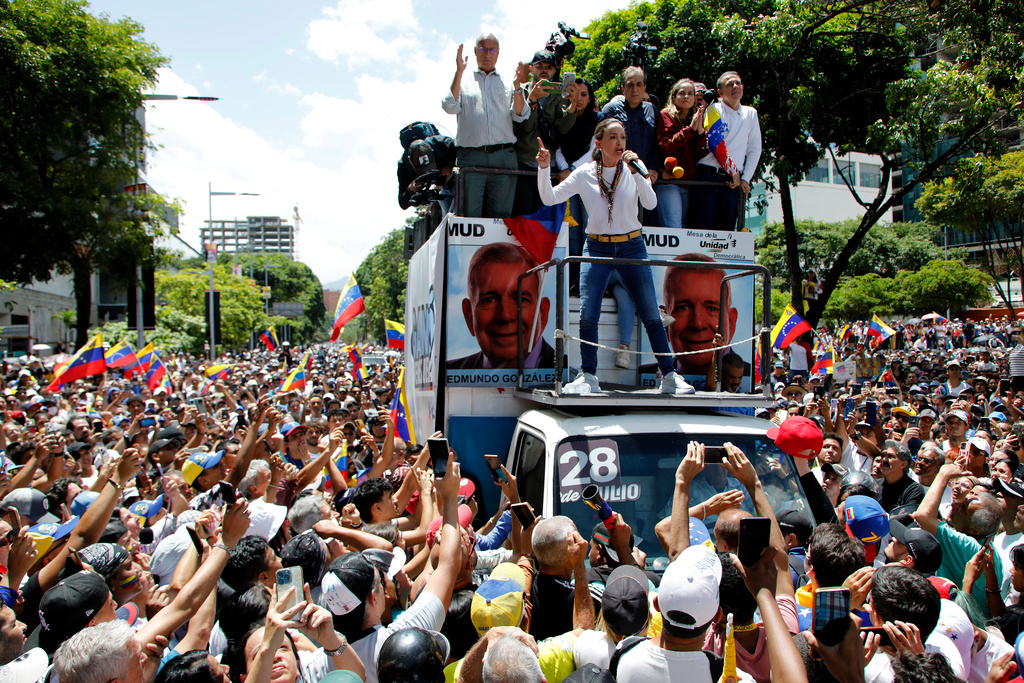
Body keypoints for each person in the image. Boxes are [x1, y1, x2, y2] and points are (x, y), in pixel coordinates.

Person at [536, 118, 695, 395]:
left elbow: (651, 203)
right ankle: (589, 376)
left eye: (622, 136)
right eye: (612, 137)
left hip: (632, 246)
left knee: (650, 314)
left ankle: (669, 376)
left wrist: (638, 173)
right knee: (588, 313)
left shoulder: (634, 167)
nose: (620, 142)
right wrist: (544, 167)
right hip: (596, 247)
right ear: (598, 143)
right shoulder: (585, 172)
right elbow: (549, 198)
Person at [441, 34, 529, 218]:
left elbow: (521, 115)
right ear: (475, 52)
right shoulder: (463, 80)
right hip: (471, 157)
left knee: (500, 221)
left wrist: (518, 87)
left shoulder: (508, 82)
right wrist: (459, 71)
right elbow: (449, 106)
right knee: (468, 220)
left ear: (498, 53)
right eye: (482, 49)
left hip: (503, 157)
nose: (486, 54)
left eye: (491, 49)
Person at [446, 242, 555, 370]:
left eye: (521, 299)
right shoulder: (451, 372)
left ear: (542, 313)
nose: (505, 315)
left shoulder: (567, 378)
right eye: (489, 300)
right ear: (469, 316)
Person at [649, 253, 744, 380]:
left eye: (711, 308)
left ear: (731, 322)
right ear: (665, 325)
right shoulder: (647, 373)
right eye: (683, 308)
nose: (698, 324)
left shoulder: (745, 376)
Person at [511, 49, 579, 217]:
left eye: (549, 67)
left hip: (549, 168)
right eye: (539, 66)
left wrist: (573, 104)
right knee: (523, 219)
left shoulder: (559, 95)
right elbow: (524, 127)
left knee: (547, 221)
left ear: (554, 70)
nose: (544, 70)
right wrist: (532, 100)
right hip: (524, 165)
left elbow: (563, 129)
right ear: (531, 69)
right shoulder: (522, 92)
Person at [691, 72, 761, 231]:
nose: (735, 86)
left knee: (727, 233)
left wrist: (745, 179)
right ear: (720, 92)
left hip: (731, 183)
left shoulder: (751, 113)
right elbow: (716, 143)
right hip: (707, 177)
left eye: (737, 83)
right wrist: (734, 172)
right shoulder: (712, 109)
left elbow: (755, 149)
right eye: (729, 84)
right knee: (703, 232)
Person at [600, 67, 660, 226]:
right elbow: (602, 145)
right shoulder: (610, 110)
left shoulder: (652, 110)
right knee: (618, 224)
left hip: (645, 178)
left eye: (639, 84)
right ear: (622, 88)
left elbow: (657, 143)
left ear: (645, 87)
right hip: (618, 179)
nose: (635, 89)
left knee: (649, 225)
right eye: (630, 84)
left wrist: (653, 168)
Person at [655, 78, 706, 229]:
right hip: (669, 183)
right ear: (674, 97)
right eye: (682, 93)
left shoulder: (696, 117)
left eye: (690, 94)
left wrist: (701, 132)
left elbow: (702, 153)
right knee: (673, 227)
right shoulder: (666, 116)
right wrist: (690, 130)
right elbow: (667, 146)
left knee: (686, 228)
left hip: (689, 183)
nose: (686, 96)